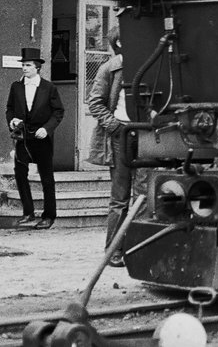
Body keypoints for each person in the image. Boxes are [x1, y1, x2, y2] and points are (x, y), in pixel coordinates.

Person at [87, 26, 135, 266]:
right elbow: (95, 103)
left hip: (148, 134)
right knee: (120, 197)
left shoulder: (151, 65)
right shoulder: (110, 68)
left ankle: (138, 250)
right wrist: (115, 126)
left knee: (146, 195)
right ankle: (114, 252)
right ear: (119, 44)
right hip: (121, 136)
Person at [5, 47, 64, 228]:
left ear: (37, 67)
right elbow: (9, 109)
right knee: (20, 174)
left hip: (42, 137)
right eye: (23, 65)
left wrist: (47, 129)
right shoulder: (16, 87)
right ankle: (28, 212)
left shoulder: (49, 87)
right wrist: (12, 121)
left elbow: (58, 111)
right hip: (23, 137)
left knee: (46, 177)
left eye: (28, 65)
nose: (24, 68)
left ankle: (49, 216)